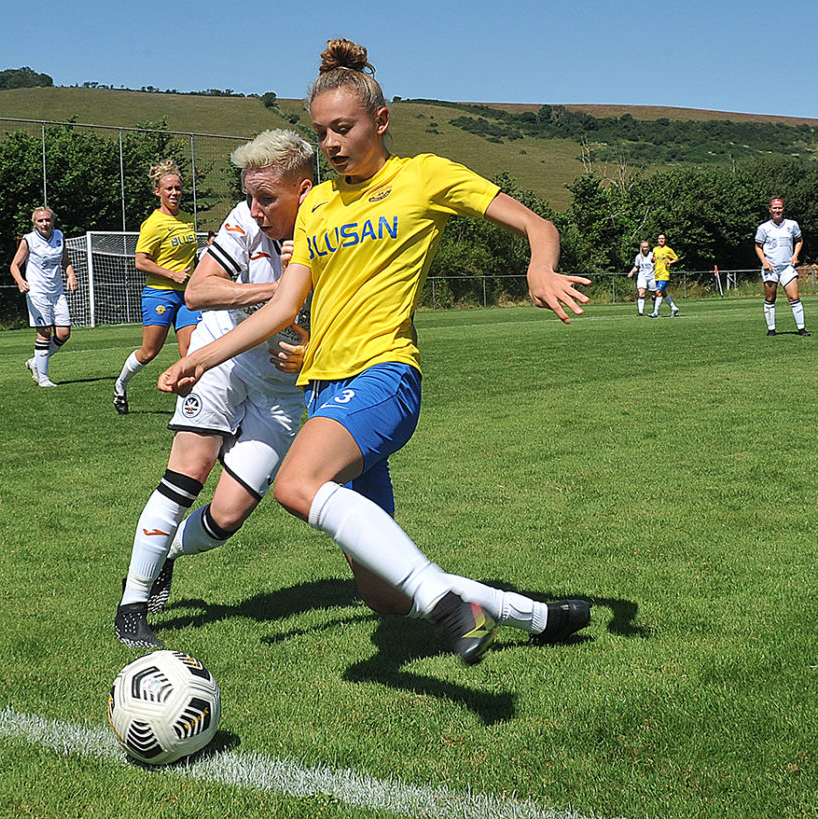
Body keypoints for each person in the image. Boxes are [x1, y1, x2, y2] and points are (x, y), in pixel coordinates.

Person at [158, 39, 592, 665]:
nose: (330, 144)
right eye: (320, 132)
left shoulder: (424, 176)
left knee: (298, 484)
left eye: (343, 128)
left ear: (380, 121)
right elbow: (283, 306)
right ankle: (538, 615)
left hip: (385, 377)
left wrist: (540, 269)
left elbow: (537, 225)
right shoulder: (318, 205)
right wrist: (203, 356)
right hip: (325, 393)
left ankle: (445, 604)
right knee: (385, 597)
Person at [115, 129, 314, 647]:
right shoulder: (244, 220)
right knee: (188, 470)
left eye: (267, 196)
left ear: (306, 191)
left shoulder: (339, 233)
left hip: (284, 391)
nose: (256, 207)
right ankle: (132, 605)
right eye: (251, 194)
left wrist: (312, 341)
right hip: (221, 358)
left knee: (227, 516)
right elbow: (200, 291)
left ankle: (162, 556)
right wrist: (282, 289)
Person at [113, 159, 201, 414]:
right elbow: (140, 261)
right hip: (160, 294)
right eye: (169, 188)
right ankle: (121, 385)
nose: (174, 193)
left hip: (187, 296)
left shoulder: (187, 220)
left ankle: (190, 408)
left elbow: (190, 258)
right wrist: (171, 275)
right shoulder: (153, 224)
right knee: (149, 352)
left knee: (190, 351)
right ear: (158, 192)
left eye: (178, 188)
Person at [9, 206, 77, 388]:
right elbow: (15, 265)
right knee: (45, 333)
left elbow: (65, 261)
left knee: (64, 334)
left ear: (53, 221)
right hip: (37, 292)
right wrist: (20, 281)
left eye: (47, 220)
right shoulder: (29, 240)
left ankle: (35, 362)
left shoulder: (59, 236)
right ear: (34, 223)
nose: (44, 223)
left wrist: (71, 275)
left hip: (57, 292)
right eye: (40, 221)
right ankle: (43, 378)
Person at [755, 197, 809, 336]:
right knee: (770, 299)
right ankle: (771, 329)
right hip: (771, 268)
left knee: (794, 297)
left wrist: (795, 255)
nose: (777, 210)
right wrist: (764, 262)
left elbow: (799, 240)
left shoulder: (792, 225)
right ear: (770, 210)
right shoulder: (763, 228)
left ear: (783, 209)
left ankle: (801, 329)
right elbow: (758, 246)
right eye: (774, 208)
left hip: (787, 267)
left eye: (780, 208)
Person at [648, 233, 679, 318]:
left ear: (665, 240)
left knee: (658, 292)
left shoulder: (668, 250)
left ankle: (655, 313)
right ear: (657, 240)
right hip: (657, 274)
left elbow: (676, 258)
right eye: (659, 238)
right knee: (663, 293)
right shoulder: (655, 249)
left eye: (662, 238)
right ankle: (674, 308)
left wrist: (669, 262)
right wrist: (652, 260)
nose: (661, 240)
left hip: (664, 274)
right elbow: (653, 260)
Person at [628, 240, 655, 316]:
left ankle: (655, 310)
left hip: (652, 277)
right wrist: (631, 272)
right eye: (644, 247)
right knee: (641, 293)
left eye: (646, 247)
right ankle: (640, 312)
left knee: (653, 294)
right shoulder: (638, 257)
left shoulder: (652, 255)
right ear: (641, 247)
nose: (645, 248)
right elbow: (637, 267)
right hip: (642, 277)